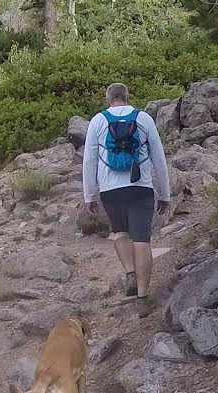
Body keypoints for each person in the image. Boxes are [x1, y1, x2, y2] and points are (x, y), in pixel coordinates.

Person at [82, 82, 171, 317]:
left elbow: (89, 161)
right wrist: (164, 193)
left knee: (120, 233)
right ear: (127, 97)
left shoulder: (98, 121)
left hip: (110, 190)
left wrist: (89, 195)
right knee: (141, 240)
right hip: (140, 187)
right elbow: (159, 158)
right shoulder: (143, 118)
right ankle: (142, 298)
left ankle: (130, 272)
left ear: (108, 98)